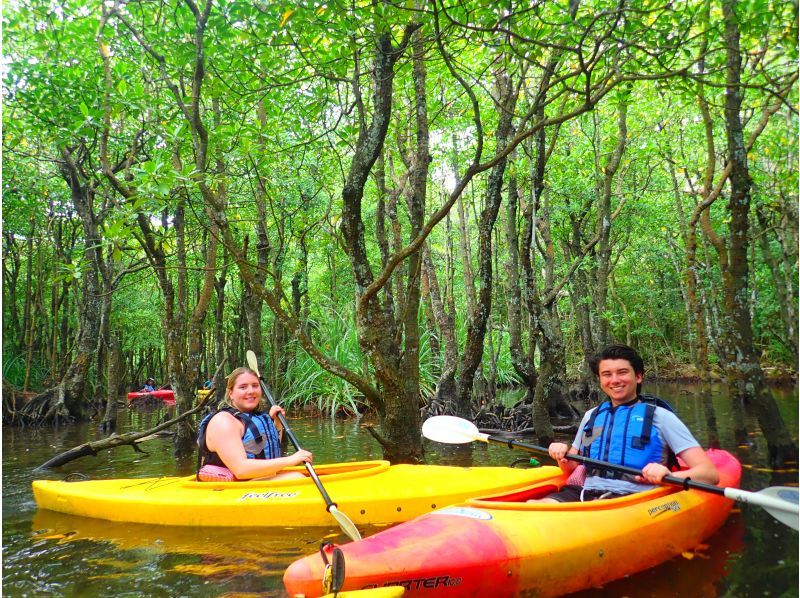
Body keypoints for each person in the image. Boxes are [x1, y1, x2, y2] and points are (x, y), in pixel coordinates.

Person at [533, 344, 719, 503]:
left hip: (634, 498)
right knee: (535, 506)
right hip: (582, 493)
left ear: (638, 376)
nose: (614, 380)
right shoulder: (592, 416)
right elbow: (572, 468)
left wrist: (669, 476)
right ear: (600, 380)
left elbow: (709, 474)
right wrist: (562, 455)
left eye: (622, 372)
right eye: (607, 374)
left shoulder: (661, 417)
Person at [196, 367, 312, 482]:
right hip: (228, 490)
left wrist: (277, 423)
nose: (251, 391)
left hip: (255, 482)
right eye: (243, 387)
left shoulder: (254, 417)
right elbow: (241, 470)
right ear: (231, 393)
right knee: (298, 478)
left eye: (255, 385)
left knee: (301, 477)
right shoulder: (223, 422)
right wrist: (290, 460)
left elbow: (267, 450)